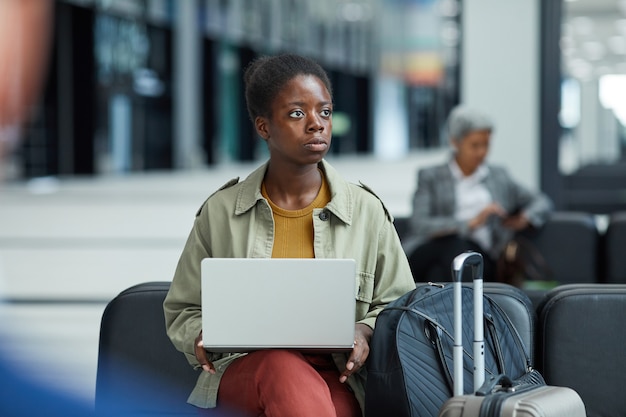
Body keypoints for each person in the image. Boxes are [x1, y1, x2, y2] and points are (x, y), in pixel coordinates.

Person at [162, 53, 415, 417]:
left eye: (324, 112)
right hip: (248, 371)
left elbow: (398, 305)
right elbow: (183, 308)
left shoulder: (366, 211)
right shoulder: (220, 211)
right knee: (280, 367)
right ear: (264, 127)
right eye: (298, 114)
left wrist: (364, 331)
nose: (316, 124)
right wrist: (201, 336)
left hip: (337, 377)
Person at [406, 105, 553, 282]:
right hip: (430, 251)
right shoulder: (431, 177)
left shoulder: (499, 176)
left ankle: (440, 304)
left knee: (462, 259)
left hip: (483, 257)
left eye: (486, 144)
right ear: (455, 142)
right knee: (454, 246)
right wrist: (470, 223)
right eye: (475, 145)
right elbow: (420, 224)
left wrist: (525, 218)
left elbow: (541, 201)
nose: (482, 152)